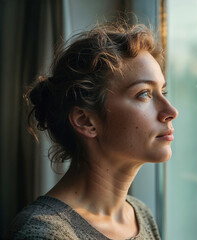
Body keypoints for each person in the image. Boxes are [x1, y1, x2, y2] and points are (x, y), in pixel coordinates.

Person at [6, 20, 178, 239]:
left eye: (163, 91)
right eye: (144, 94)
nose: (171, 111)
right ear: (86, 121)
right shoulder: (44, 234)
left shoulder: (139, 214)